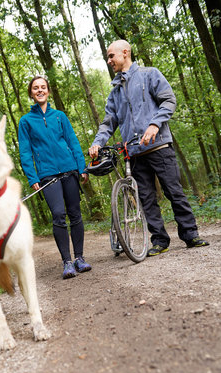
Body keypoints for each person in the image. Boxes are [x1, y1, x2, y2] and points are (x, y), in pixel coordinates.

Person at [89, 40, 209, 256]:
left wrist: (154, 124)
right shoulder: (114, 92)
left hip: (159, 146)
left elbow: (168, 101)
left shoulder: (149, 74)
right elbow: (108, 123)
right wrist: (98, 142)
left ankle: (191, 235)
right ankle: (159, 240)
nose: (109, 61)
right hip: (133, 154)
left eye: (111, 56)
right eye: (108, 58)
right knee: (146, 199)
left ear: (125, 53)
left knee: (174, 192)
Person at [19, 76, 92, 278]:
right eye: (36, 88)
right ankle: (67, 262)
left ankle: (79, 258)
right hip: (47, 174)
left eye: (43, 87)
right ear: (31, 93)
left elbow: (73, 141)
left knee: (75, 213)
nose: (40, 90)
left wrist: (81, 167)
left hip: (70, 170)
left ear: (48, 91)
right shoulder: (25, 121)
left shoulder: (59, 116)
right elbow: (25, 152)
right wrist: (32, 177)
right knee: (58, 214)